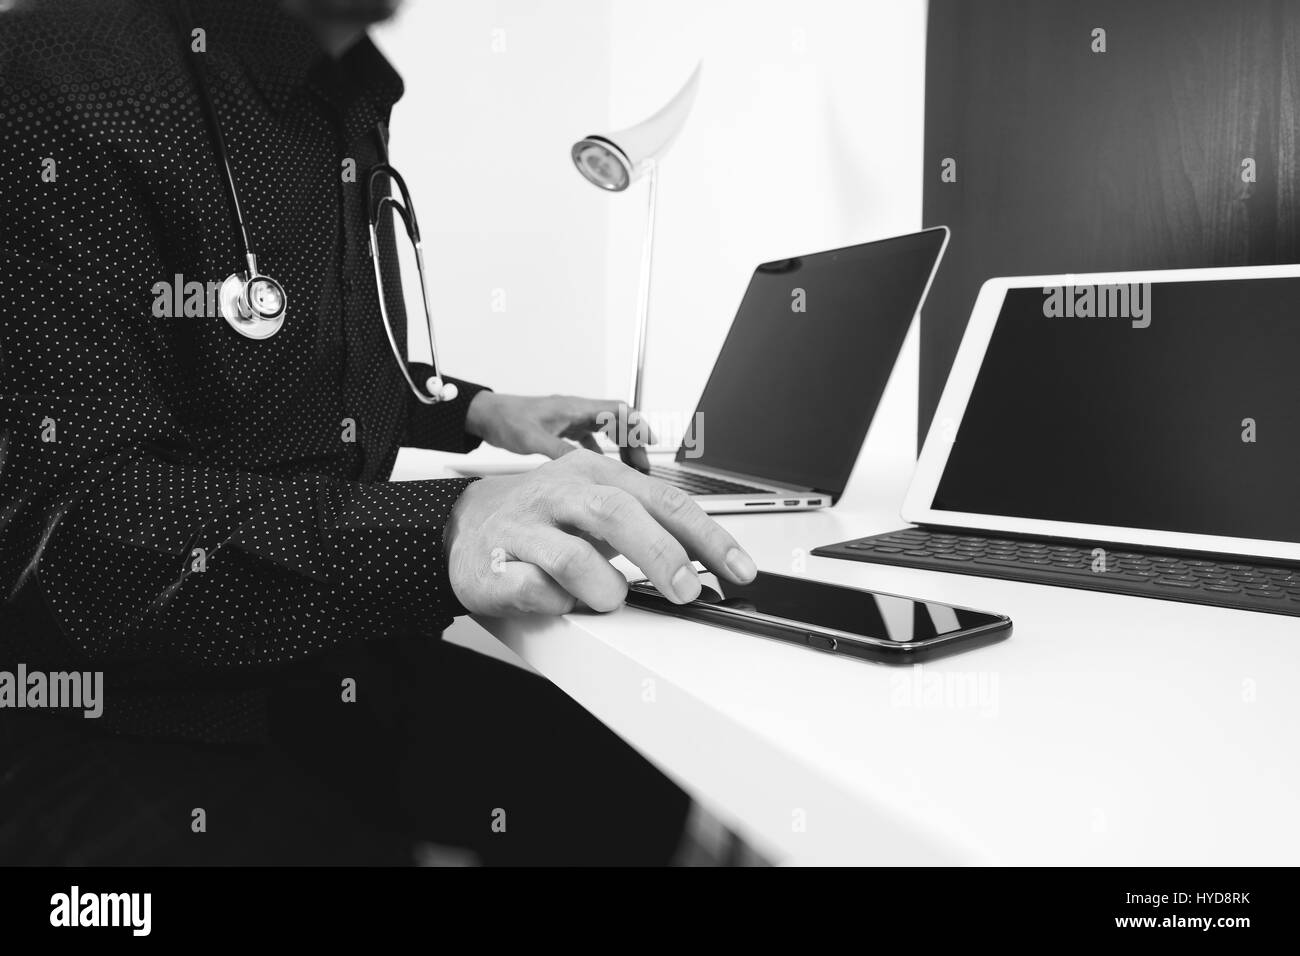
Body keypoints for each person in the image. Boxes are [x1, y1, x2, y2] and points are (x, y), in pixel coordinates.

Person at [0, 0, 757, 865]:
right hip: (94, 711)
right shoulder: (49, 73)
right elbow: (63, 528)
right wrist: (447, 527)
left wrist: (478, 410)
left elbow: (319, 377)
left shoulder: (350, 98)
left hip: (312, 657)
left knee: (634, 790)